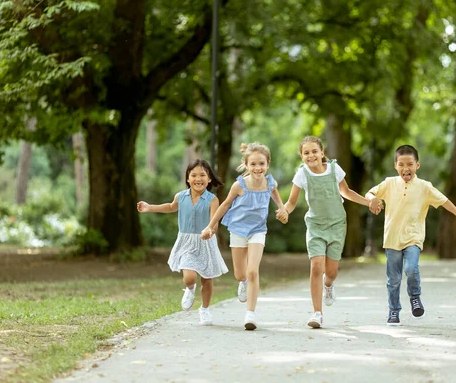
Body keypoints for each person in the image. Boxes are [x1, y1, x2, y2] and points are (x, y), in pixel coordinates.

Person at [279, 136, 382, 329]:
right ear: (301, 156)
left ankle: (328, 285)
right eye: (306, 153)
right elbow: (292, 202)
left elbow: (347, 192)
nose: (311, 155)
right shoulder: (301, 174)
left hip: (336, 224)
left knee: (331, 272)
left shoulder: (335, 169)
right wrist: (285, 210)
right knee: (316, 267)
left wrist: (368, 202)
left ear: (322, 153)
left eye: (314, 151)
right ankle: (317, 313)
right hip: (315, 225)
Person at [365, 144, 456, 326]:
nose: (406, 168)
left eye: (410, 164)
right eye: (401, 164)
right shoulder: (389, 183)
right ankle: (393, 310)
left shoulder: (424, 187)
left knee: (411, 269)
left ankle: (415, 297)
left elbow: (445, 201)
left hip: (413, 237)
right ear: (395, 166)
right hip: (392, 238)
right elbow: (370, 193)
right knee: (393, 279)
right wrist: (372, 199)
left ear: (417, 166)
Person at [201, 142, 288, 331]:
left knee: (252, 271)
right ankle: (242, 283)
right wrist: (210, 225)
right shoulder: (239, 185)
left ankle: (250, 314)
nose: (258, 168)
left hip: (258, 230)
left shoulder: (270, 182)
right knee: (240, 274)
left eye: (261, 164)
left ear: (268, 164)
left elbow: (275, 194)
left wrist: (281, 208)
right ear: (247, 165)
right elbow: (224, 205)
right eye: (253, 164)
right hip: (238, 230)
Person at [137, 159, 228, 326]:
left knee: (207, 280)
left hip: (205, 242)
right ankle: (190, 288)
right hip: (186, 241)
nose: (198, 178)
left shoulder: (212, 199)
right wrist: (150, 207)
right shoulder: (181, 196)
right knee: (189, 277)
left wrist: (210, 230)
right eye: (193, 175)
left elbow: (214, 221)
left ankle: (205, 309)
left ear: (209, 179)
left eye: (202, 175)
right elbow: (171, 207)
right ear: (187, 178)